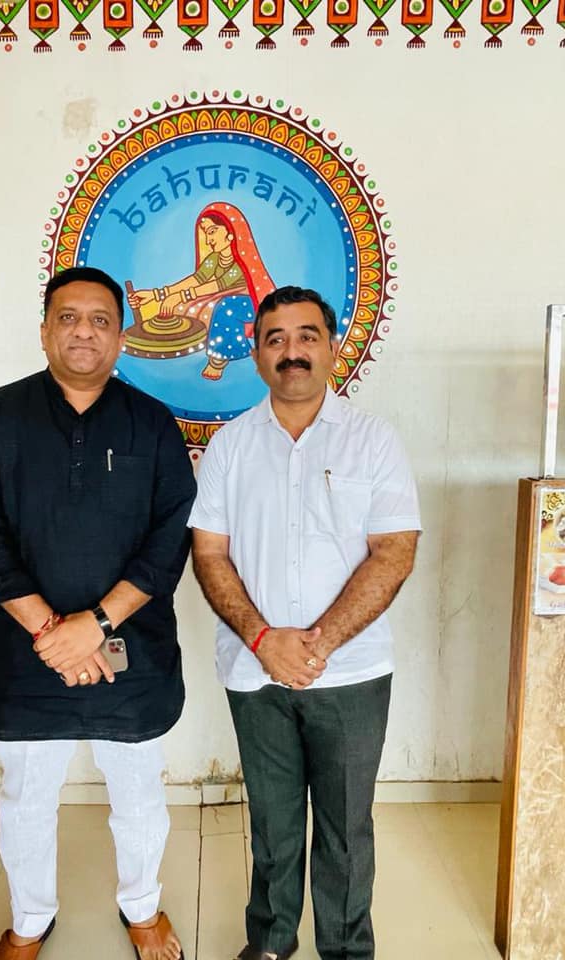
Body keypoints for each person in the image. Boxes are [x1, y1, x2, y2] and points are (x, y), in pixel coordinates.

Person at [0, 266, 196, 960]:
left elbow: (170, 537)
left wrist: (96, 625)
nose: (83, 331)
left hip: (131, 649)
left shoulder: (152, 423)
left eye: (99, 320)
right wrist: (52, 632)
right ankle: (29, 921)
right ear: (44, 332)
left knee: (139, 794)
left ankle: (141, 910)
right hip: (23, 651)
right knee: (26, 798)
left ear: (121, 337)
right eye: (68, 318)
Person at [188, 286, 421, 960]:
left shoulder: (374, 441)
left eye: (307, 336)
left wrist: (318, 644)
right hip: (254, 672)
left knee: (346, 828)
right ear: (257, 354)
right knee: (273, 822)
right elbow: (209, 553)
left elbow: (394, 550)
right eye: (276, 339)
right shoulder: (230, 445)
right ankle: (270, 939)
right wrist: (265, 641)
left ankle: (345, 948)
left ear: (333, 347)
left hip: (350, 674)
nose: (292, 351)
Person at [127, 202, 275, 380]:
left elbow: (217, 285)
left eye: (212, 231)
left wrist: (179, 296)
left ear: (230, 234)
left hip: (250, 304)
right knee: (182, 305)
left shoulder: (240, 262)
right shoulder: (214, 259)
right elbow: (196, 279)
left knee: (225, 307)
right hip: (223, 297)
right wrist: (156, 295)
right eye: (205, 233)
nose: (208, 239)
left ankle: (219, 358)